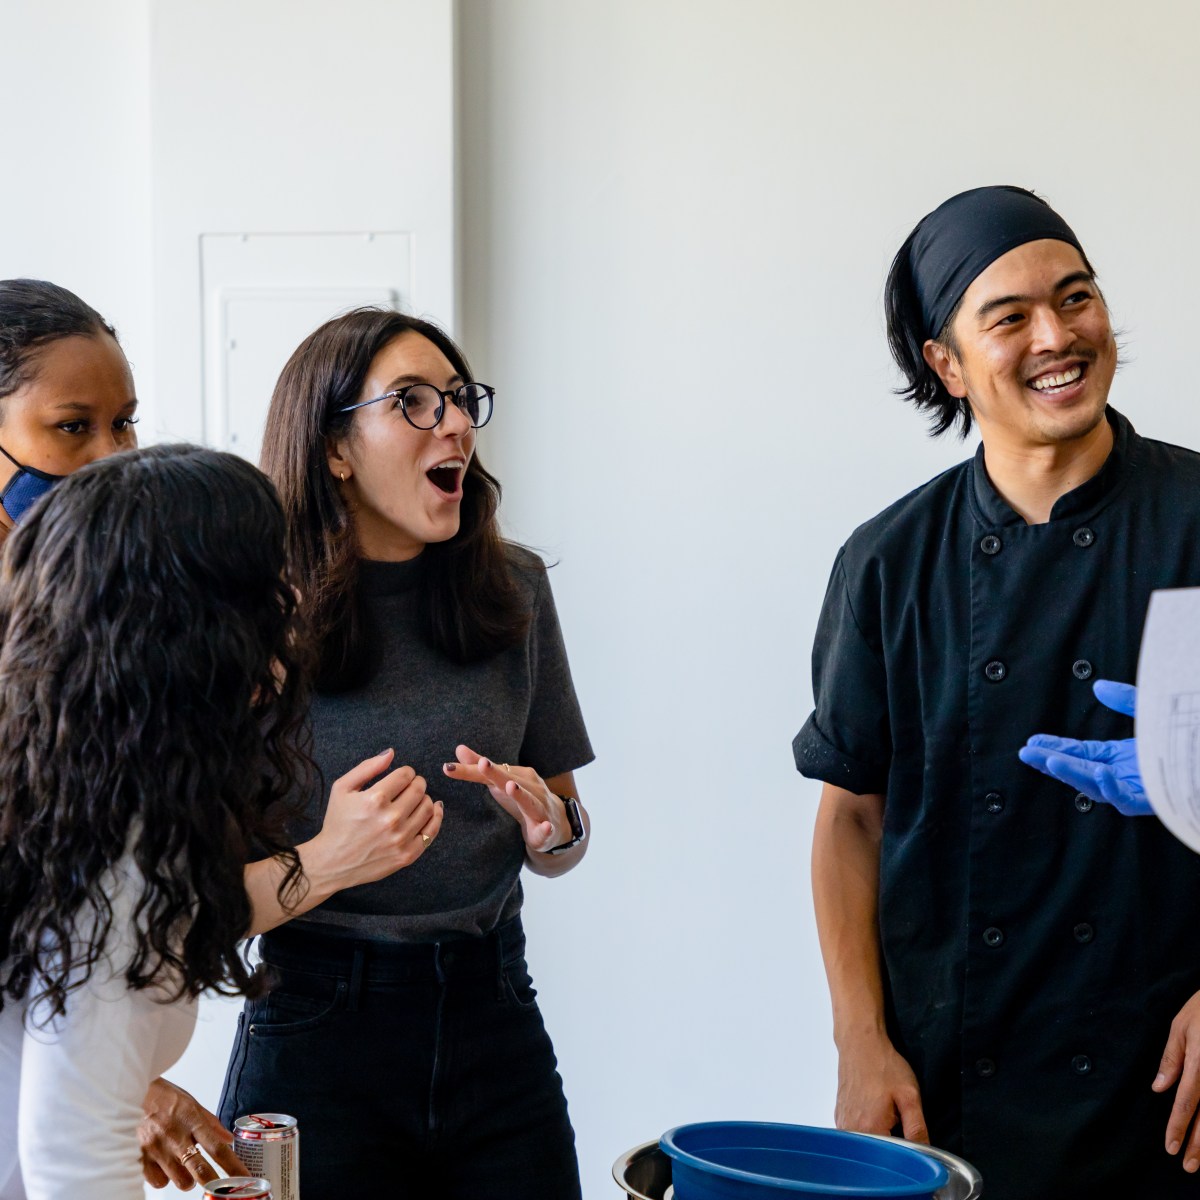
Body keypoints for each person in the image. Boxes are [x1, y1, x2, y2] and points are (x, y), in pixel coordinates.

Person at [794, 185, 1200, 1199]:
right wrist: (860, 1042)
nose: (1058, 337)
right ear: (947, 363)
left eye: (1077, 298)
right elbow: (850, 818)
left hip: (1171, 1080)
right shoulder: (889, 563)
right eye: (1009, 317)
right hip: (950, 1076)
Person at [0, 279, 443, 1192]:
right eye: (73, 426)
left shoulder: (100, 753)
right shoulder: (101, 813)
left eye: (125, 424)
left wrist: (114, 1067)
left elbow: (91, 965)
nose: (111, 457)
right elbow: (69, 1151)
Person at [210, 308, 594, 1197]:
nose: (455, 421)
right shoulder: (246, 618)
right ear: (335, 447)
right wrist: (326, 862)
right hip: (313, 1027)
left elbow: (568, 838)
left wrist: (552, 827)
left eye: (460, 399)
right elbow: (196, 911)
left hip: (494, 1010)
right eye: (414, 402)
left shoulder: (517, 589)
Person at [0, 445, 315, 1199]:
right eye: (273, 580)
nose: (295, 601)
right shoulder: (117, 855)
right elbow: (73, 1162)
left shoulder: (62, 786)